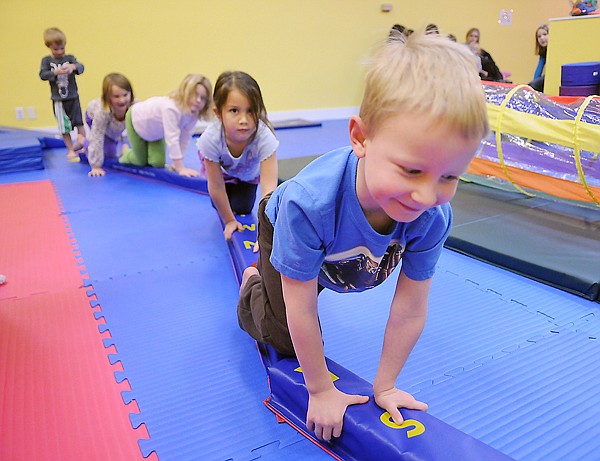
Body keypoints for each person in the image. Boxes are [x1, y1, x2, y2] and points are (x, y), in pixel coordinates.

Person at [237, 32, 489, 442]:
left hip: (337, 257)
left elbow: (409, 309)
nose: (426, 195)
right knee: (283, 338)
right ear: (360, 137)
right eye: (411, 170)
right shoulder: (308, 205)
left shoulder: (432, 216)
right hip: (281, 223)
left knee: (318, 286)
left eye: (449, 176)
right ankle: (254, 285)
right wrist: (320, 390)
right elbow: (302, 310)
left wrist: (385, 386)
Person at [198, 71, 278, 241]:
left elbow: (269, 191)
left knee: (243, 207)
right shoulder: (210, 139)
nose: (244, 120)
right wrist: (229, 220)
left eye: (251, 111)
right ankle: (230, 192)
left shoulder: (265, 138)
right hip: (224, 174)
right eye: (234, 110)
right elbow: (216, 186)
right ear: (218, 113)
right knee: (218, 202)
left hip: (248, 174)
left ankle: (238, 192)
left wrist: (265, 233)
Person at [119, 74, 212, 177]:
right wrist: (180, 168)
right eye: (195, 95)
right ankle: (125, 152)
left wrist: (176, 164)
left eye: (203, 98)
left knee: (158, 163)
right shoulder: (171, 108)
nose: (198, 100)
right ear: (185, 92)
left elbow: (185, 137)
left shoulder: (194, 113)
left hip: (155, 133)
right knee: (140, 161)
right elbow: (172, 138)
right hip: (136, 121)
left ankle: (145, 151)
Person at [39, 27, 85, 161]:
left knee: (79, 122)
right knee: (64, 127)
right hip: (58, 100)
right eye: (55, 49)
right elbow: (42, 75)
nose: (59, 52)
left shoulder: (69, 58)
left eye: (62, 48)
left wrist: (73, 67)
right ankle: (70, 149)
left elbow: (81, 67)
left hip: (73, 97)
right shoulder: (46, 61)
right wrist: (54, 72)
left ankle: (83, 145)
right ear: (48, 47)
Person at [84, 73, 136, 177]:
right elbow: (97, 136)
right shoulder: (102, 111)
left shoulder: (135, 106)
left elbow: (135, 129)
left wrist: (126, 145)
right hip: (92, 117)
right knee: (108, 154)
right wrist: (96, 166)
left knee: (113, 144)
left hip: (115, 123)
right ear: (107, 97)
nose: (122, 100)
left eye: (125, 95)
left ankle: (111, 142)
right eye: (116, 96)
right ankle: (84, 142)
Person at [528, 24, 549, 92]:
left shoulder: (554, 50)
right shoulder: (543, 53)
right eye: (539, 36)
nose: (542, 38)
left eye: (545, 34)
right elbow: (539, 69)